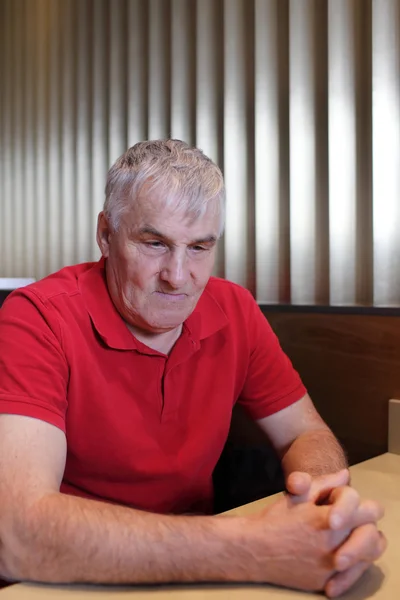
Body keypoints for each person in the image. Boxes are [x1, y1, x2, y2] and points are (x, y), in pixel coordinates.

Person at [0, 139, 385, 597]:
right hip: (65, 579)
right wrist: (255, 547)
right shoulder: (37, 316)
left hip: (201, 566)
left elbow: (306, 434)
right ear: (105, 235)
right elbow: (18, 535)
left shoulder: (235, 309)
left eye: (200, 247)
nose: (179, 276)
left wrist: (325, 507)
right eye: (154, 243)